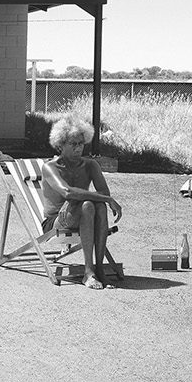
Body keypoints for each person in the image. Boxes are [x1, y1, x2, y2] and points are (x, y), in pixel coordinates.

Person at [41, 116, 122, 290]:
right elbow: (67, 191)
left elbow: (103, 193)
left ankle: (98, 269)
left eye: (81, 143)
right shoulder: (50, 167)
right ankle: (88, 272)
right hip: (55, 221)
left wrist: (99, 198)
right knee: (91, 204)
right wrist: (107, 199)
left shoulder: (90, 165)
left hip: (84, 214)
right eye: (73, 144)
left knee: (95, 205)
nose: (79, 148)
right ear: (61, 145)